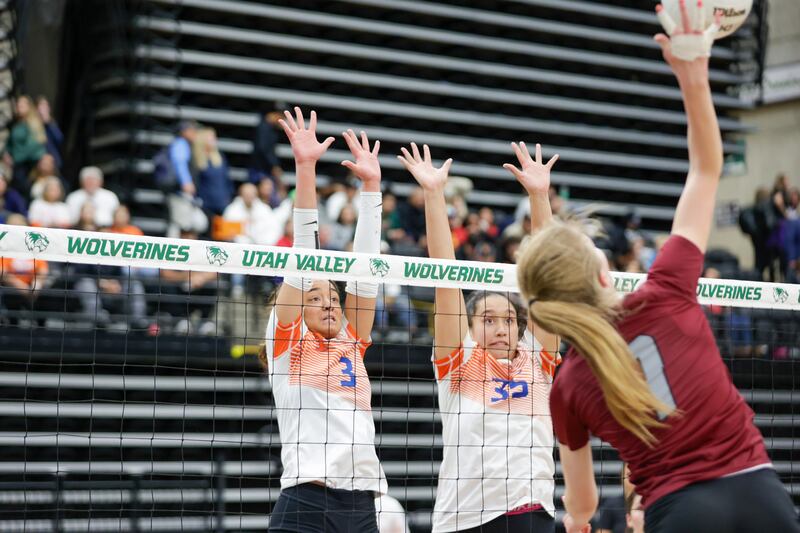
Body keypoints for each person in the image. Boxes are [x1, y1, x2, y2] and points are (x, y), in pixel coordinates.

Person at [515, 8, 800, 533]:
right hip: (761, 495)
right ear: (604, 275)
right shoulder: (666, 288)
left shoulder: (568, 385)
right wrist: (693, 73)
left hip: (679, 512)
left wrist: (578, 519)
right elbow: (705, 169)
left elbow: (582, 503)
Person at [398, 141, 560, 533]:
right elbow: (445, 276)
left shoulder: (537, 360)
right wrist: (434, 194)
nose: (501, 328)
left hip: (531, 514)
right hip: (467, 518)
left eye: (509, 320)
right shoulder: (460, 361)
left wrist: (539, 196)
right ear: (470, 328)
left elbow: (547, 278)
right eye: (488, 320)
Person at [261, 109, 386, 532]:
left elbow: (367, 271)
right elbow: (303, 257)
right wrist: (305, 167)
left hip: (362, 506)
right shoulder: (286, 344)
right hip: (306, 502)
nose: (330, 303)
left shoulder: (351, 339)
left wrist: (371, 188)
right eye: (315, 298)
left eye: (333, 296)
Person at [5, 95, 46, 195]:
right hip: (16, 164)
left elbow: (34, 145)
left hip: (27, 165)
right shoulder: (16, 123)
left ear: (29, 107)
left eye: (22, 105)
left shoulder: (33, 123)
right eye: (18, 105)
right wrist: (7, 153)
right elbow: (11, 142)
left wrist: (15, 158)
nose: (19, 107)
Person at [193, 127, 234, 217]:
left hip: (222, 202)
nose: (215, 140)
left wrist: (229, 196)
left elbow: (227, 179)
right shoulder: (197, 160)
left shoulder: (220, 157)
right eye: (211, 138)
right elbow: (196, 183)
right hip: (206, 204)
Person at [248, 103, 286, 202]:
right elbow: (263, 148)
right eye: (282, 117)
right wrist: (274, 165)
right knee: (263, 197)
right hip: (260, 169)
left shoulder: (268, 128)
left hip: (263, 169)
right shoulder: (263, 128)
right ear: (275, 114)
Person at [36, 96, 64, 168]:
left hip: (53, 162)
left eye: (45, 106)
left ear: (49, 108)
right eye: (41, 106)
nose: (42, 109)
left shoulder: (52, 124)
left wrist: (48, 122)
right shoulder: (33, 125)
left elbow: (59, 139)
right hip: (39, 162)